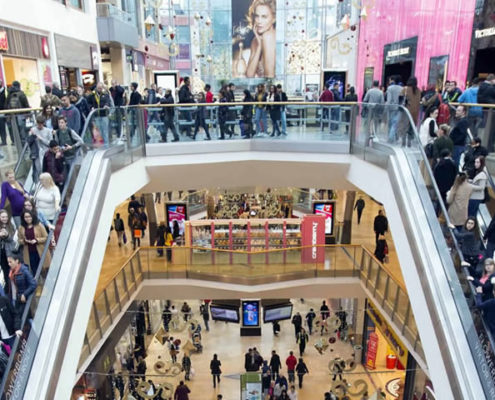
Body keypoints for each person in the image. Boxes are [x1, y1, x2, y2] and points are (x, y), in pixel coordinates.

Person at [245, 0, 276, 78]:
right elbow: (249, 75)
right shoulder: (256, 41)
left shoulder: (269, 36)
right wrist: (259, 46)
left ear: (274, 18)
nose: (259, 21)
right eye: (257, 16)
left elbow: (269, 77)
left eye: (264, 17)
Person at [18, 210, 50, 276]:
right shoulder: (21, 227)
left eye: (29, 216)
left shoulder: (39, 225)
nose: (28, 218)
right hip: (29, 252)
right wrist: (24, 241)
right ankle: (38, 284)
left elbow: (46, 237)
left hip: (40, 251)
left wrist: (37, 240)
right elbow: (19, 240)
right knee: (34, 270)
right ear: (23, 218)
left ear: (32, 217)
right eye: (26, 217)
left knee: (44, 269)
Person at [8, 251, 37, 320]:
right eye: (8, 262)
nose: (9, 264)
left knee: (28, 318)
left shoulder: (24, 270)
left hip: (25, 299)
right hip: (17, 299)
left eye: (10, 262)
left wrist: (24, 294)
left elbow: (33, 284)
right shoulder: (11, 272)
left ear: (17, 261)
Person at [0, 209, 16, 293]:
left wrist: (6, 236)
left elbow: (13, 240)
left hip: (9, 252)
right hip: (1, 253)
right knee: (5, 271)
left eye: (6, 217)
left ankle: (12, 289)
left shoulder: (11, 226)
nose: (4, 218)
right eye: (2, 217)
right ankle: (8, 290)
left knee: (11, 270)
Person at [385, 75, 403, 143]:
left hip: (391, 108)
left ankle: (390, 138)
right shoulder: (402, 88)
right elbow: (402, 99)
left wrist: (386, 107)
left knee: (390, 123)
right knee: (395, 123)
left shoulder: (390, 88)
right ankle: (393, 137)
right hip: (398, 108)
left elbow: (389, 100)